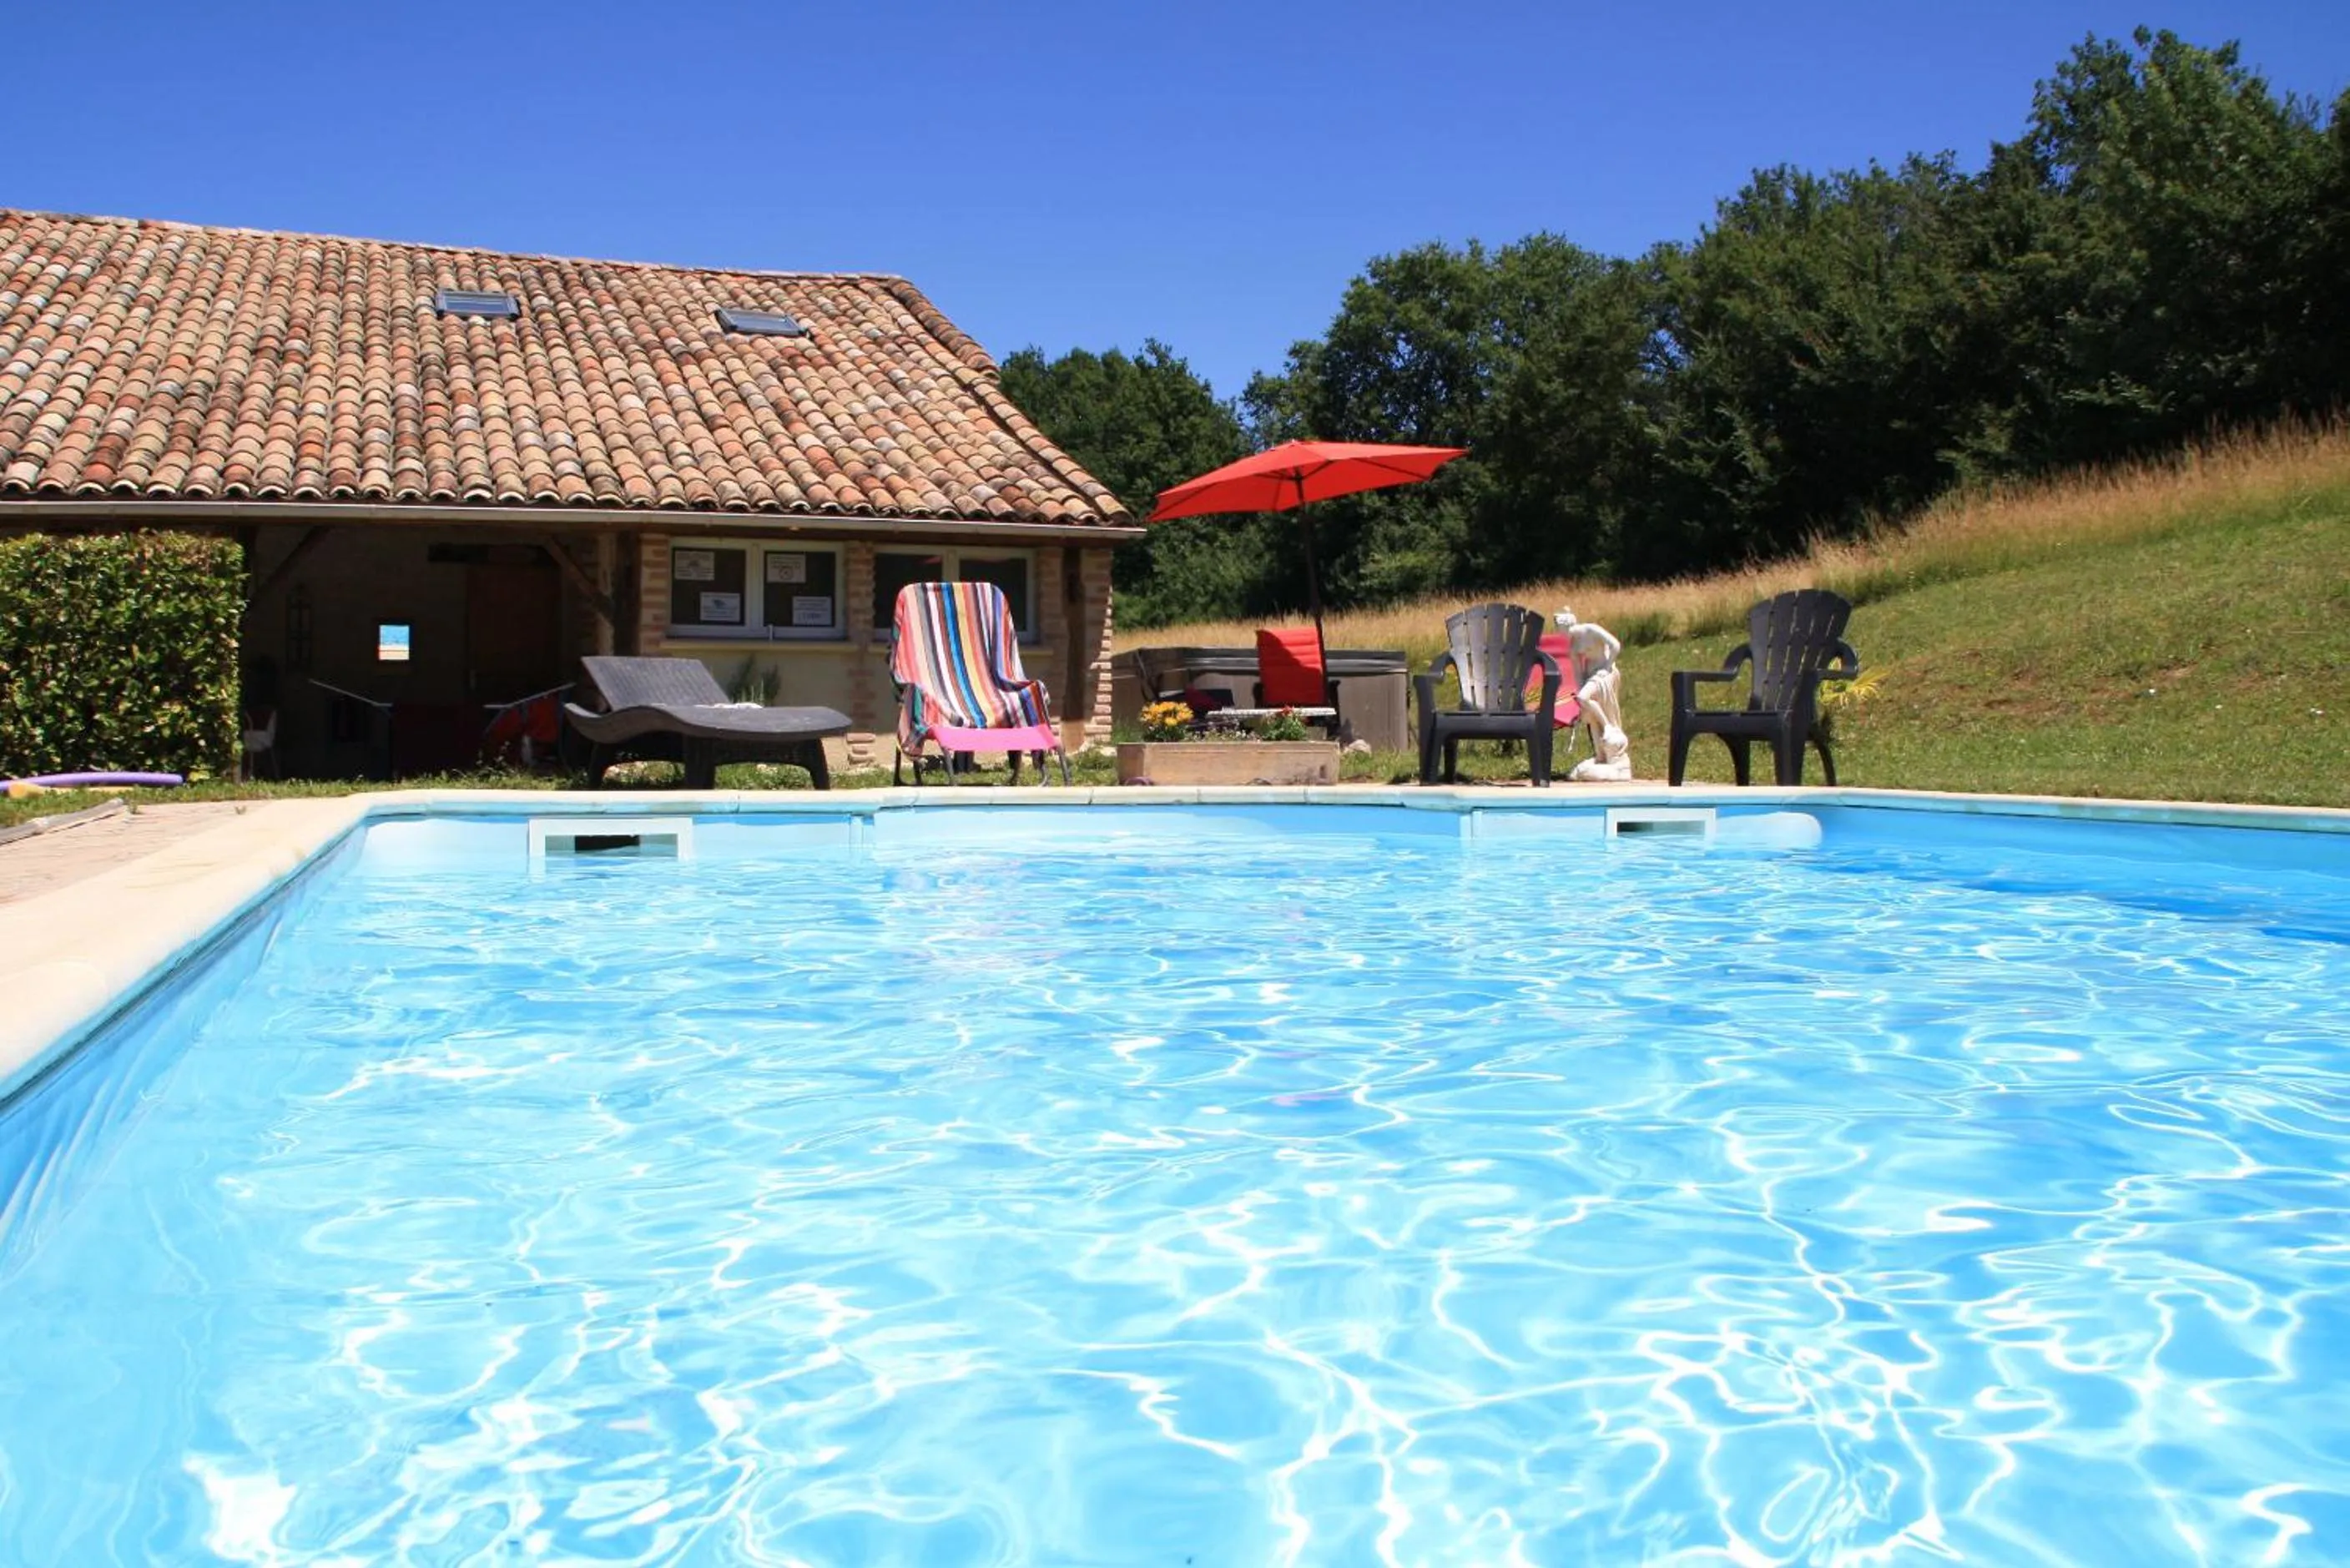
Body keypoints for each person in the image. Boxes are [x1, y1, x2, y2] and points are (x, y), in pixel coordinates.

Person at [1555, 608, 1633, 782]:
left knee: (1584, 698)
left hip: (1604, 674)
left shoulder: (1591, 630)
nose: (1559, 634)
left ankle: (1609, 727)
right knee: (1589, 715)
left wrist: (1607, 666)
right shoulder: (1573, 645)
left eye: (1559, 629)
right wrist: (1580, 687)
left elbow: (1615, 645)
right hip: (1591, 677)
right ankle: (1600, 756)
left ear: (1566, 626)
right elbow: (1577, 671)